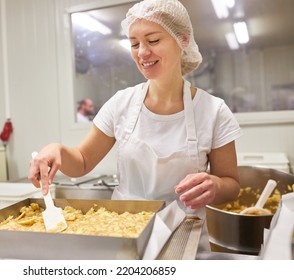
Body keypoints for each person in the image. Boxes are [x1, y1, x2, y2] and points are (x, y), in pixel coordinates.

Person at [29, 0, 242, 252]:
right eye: (134, 43)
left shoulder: (214, 111)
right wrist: (58, 150)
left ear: (183, 40)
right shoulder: (122, 103)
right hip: (125, 236)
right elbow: (83, 161)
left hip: (184, 240)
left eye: (153, 41)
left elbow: (231, 185)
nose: (142, 52)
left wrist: (215, 186)